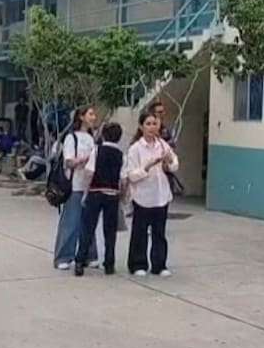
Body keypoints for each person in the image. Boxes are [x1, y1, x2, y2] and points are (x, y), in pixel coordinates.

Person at [127, 111, 180, 277]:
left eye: (154, 124)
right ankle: (138, 264)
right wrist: (147, 166)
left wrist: (169, 162)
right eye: (148, 124)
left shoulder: (163, 145)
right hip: (142, 196)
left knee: (159, 232)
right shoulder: (135, 149)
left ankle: (159, 264)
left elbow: (175, 165)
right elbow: (132, 175)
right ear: (141, 126)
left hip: (161, 195)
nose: (151, 127)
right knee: (140, 232)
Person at [75, 122, 126, 277]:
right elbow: (123, 179)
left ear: (103, 135)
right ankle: (109, 264)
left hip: (95, 192)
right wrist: (122, 196)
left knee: (88, 228)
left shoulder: (96, 151)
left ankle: (80, 261)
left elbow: (89, 173)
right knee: (110, 231)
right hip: (112, 194)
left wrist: (85, 192)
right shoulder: (121, 155)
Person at [52, 108, 98, 271]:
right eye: (90, 114)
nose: (93, 117)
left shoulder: (91, 138)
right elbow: (69, 161)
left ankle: (88, 254)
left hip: (89, 185)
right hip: (75, 184)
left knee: (88, 222)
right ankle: (63, 256)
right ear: (81, 117)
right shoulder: (71, 138)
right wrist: (86, 159)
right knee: (71, 222)